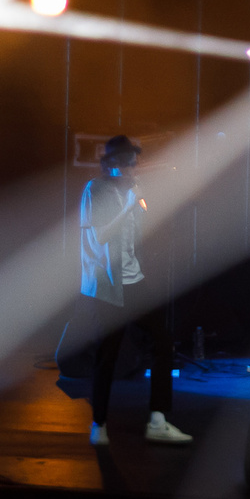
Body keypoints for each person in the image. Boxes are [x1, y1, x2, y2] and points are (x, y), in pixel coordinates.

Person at [77, 135, 191, 447]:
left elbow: (138, 234)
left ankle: (158, 419)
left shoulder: (131, 191)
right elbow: (100, 237)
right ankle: (98, 424)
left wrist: (142, 204)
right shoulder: (94, 190)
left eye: (134, 161)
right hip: (106, 286)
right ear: (112, 163)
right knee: (107, 355)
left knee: (163, 342)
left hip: (133, 281)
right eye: (128, 161)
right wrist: (128, 207)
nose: (133, 166)